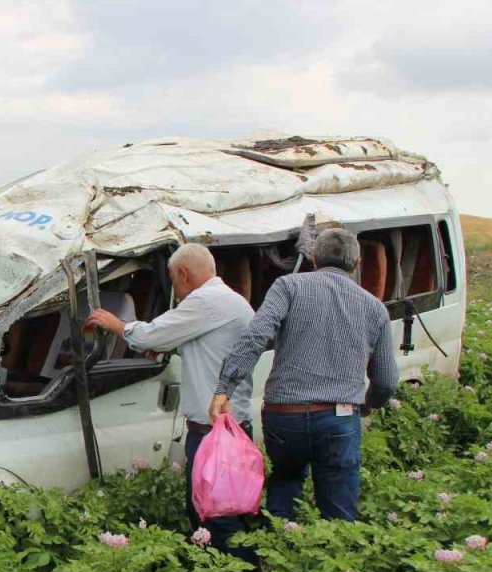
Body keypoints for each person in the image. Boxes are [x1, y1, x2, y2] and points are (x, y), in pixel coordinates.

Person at [210, 228, 398, 522]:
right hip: (340, 418)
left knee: (285, 481)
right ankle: (333, 548)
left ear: (314, 258)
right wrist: (369, 403)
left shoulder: (288, 287)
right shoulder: (375, 309)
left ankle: (277, 542)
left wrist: (225, 387)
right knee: (339, 510)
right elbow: (386, 381)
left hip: (285, 416)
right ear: (356, 264)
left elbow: (255, 336)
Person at [85, 243, 255, 543]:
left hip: (214, 433)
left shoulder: (205, 301)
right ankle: (232, 566)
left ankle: (242, 568)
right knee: (222, 511)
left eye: (174, 279)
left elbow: (152, 333)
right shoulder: (232, 300)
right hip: (232, 426)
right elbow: (210, 350)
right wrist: (171, 347)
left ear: (184, 274)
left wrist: (117, 325)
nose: (175, 289)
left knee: (214, 517)